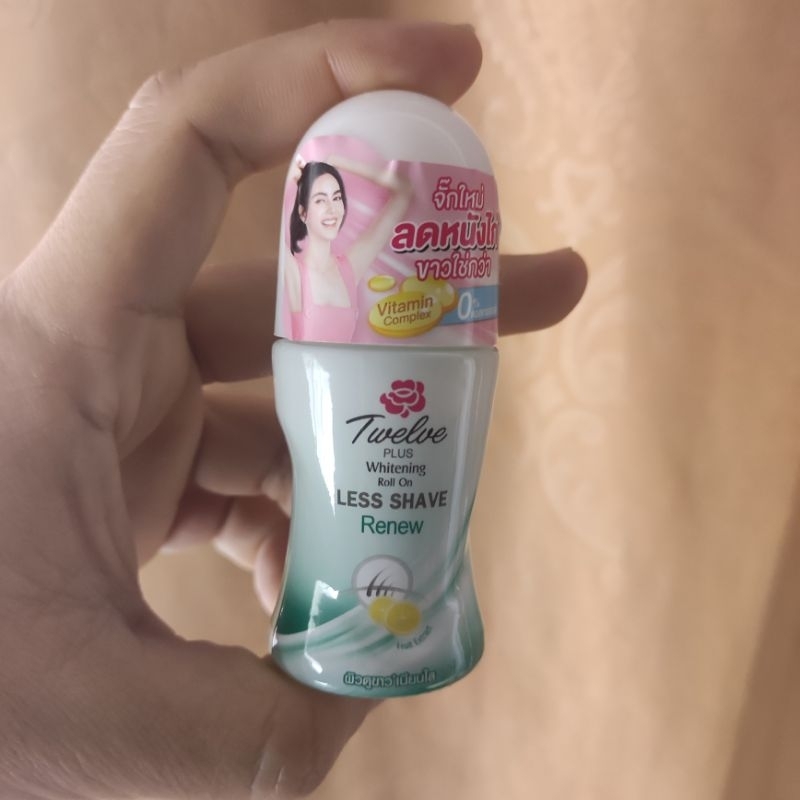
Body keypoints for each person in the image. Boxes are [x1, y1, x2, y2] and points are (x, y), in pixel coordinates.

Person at [0, 18, 586, 800]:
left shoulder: (382, 252)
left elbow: (386, 210)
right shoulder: (324, 272)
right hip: (338, 358)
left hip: (429, 348)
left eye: (345, 196)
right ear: (305, 211)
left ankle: (420, 620)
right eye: (325, 197)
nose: (335, 206)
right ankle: (347, 626)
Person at [285, 155, 412, 342]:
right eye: (320, 200)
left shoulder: (349, 269)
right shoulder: (293, 270)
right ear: (303, 213)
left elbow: (404, 190)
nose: (332, 209)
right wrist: (290, 177)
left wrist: (339, 161)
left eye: (336, 198)